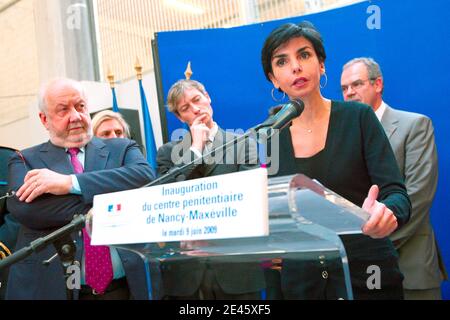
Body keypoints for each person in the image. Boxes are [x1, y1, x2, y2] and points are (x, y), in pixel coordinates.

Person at [260, 21, 411, 299]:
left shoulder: (359, 117)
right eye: (282, 61)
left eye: (304, 55)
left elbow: (396, 194)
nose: (295, 67)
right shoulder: (271, 137)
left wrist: (387, 212)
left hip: (367, 276)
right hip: (303, 284)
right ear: (273, 78)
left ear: (321, 65)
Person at [6, 78, 155, 300]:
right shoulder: (24, 159)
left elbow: (144, 178)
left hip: (125, 287)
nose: (75, 116)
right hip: (54, 288)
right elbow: (28, 210)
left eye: (80, 106)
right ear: (44, 119)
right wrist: (113, 202)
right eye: (63, 110)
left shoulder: (122, 148)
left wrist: (70, 184)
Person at [341, 57, 448, 299]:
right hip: (362, 276)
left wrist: (372, 246)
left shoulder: (415, 125)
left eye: (356, 84)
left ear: (378, 84)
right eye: (344, 88)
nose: (349, 93)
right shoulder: (345, 137)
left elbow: (418, 197)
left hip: (410, 269)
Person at [156, 79, 265, 299]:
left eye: (197, 100)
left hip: (236, 270)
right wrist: (195, 149)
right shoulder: (167, 152)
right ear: (179, 117)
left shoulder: (244, 143)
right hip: (187, 274)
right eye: (185, 108)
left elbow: (250, 199)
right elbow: (165, 195)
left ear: (208, 97)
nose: (195, 109)